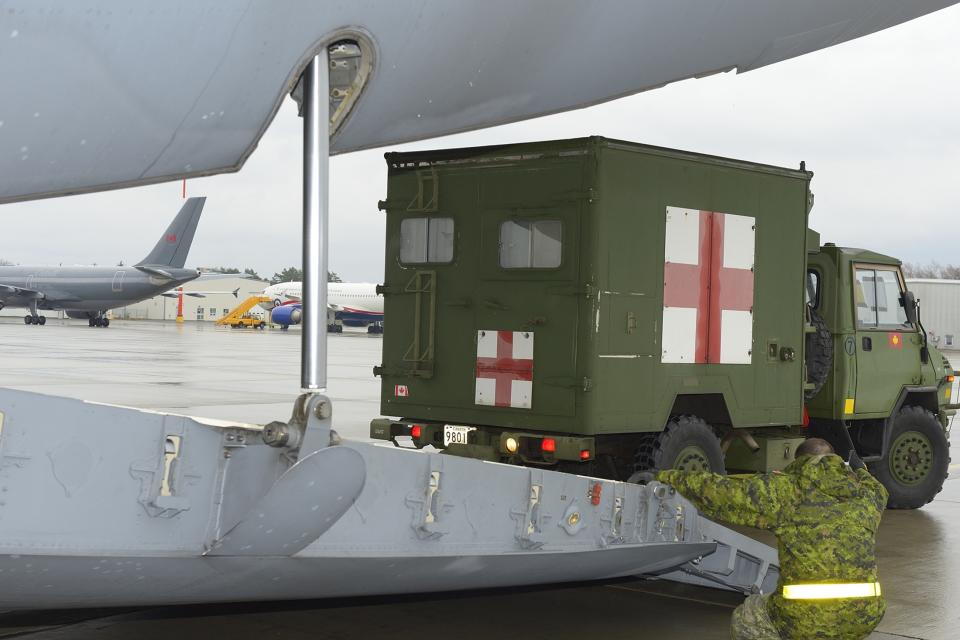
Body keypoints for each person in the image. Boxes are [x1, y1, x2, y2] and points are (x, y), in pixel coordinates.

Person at [655, 438, 887, 640]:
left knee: (746, 617)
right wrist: (861, 470)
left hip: (805, 619)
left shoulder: (786, 492)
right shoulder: (866, 496)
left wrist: (666, 477)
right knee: (835, 624)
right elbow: (878, 488)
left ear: (798, 462)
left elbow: (719, 492)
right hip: (864, 616)